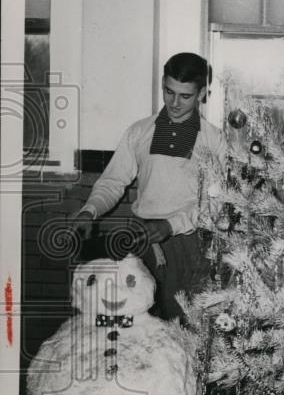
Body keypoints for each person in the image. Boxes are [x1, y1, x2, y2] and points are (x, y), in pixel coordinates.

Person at [70, 52, 225, 322]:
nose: (174, 103)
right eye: (168, 91)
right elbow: (113, 180)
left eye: (185, 96)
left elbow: (216, 205)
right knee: (137, 322)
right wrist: (90, 211)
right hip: (140, 239)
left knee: (184, 326)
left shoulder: (214, 141)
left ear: (201, 94)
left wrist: (170, 225)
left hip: (188, 243)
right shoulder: (139, 131)